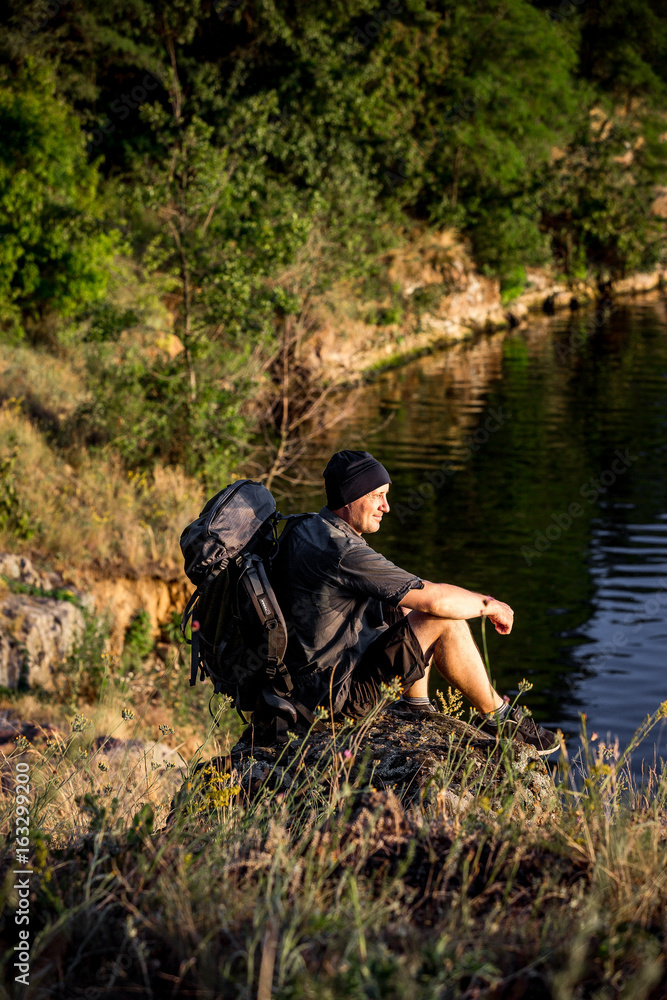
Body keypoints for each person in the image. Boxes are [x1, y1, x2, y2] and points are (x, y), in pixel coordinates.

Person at [274, 449, 559, 755]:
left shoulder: (304, 527)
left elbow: (413, 593)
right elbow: (437, 601)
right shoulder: (344, 551)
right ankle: (499, 719)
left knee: (404, 601)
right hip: (333, 701)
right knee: (441, 618)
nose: (386, 506)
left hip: (306, 684)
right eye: (378, 496)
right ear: (350, 497)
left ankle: (415, 706)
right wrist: (490, 604)